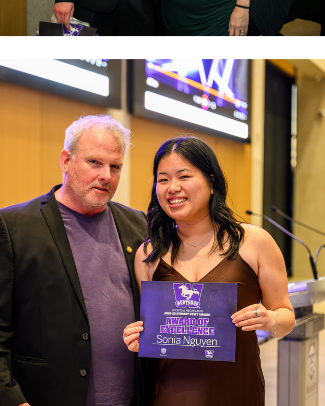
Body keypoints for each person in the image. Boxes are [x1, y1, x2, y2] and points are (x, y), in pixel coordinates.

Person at [0, 115, 151, 406]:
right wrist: (10, 399)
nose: (106, 175)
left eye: (115, 166)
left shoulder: (137, 224)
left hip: (128, 398)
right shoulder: (15, 225)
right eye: (95, 162)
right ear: (66, 161)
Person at [122, 136, 293, 403]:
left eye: (184, 176)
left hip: (236, 392)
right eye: (163, 179)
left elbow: (286, 316)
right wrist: (138, 338)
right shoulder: (149, 253)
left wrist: (271, 320)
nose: (172, 188)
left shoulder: (254, 242)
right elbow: (156, 332)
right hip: (169, 394)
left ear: (211, 182)